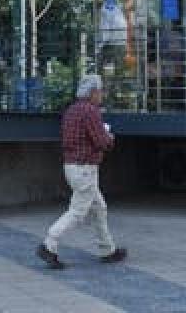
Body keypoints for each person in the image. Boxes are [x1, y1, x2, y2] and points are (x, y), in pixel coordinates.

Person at [36, 74, 126, 269]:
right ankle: (49, 244)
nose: (102, 95)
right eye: (100, 91)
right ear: (93, 92)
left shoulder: (71, 110)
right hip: (85, 168)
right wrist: (109, 136)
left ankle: (107, 249)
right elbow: (102, 142)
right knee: (77, 212)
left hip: (72, 166)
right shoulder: (90, 111)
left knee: (99, 208)